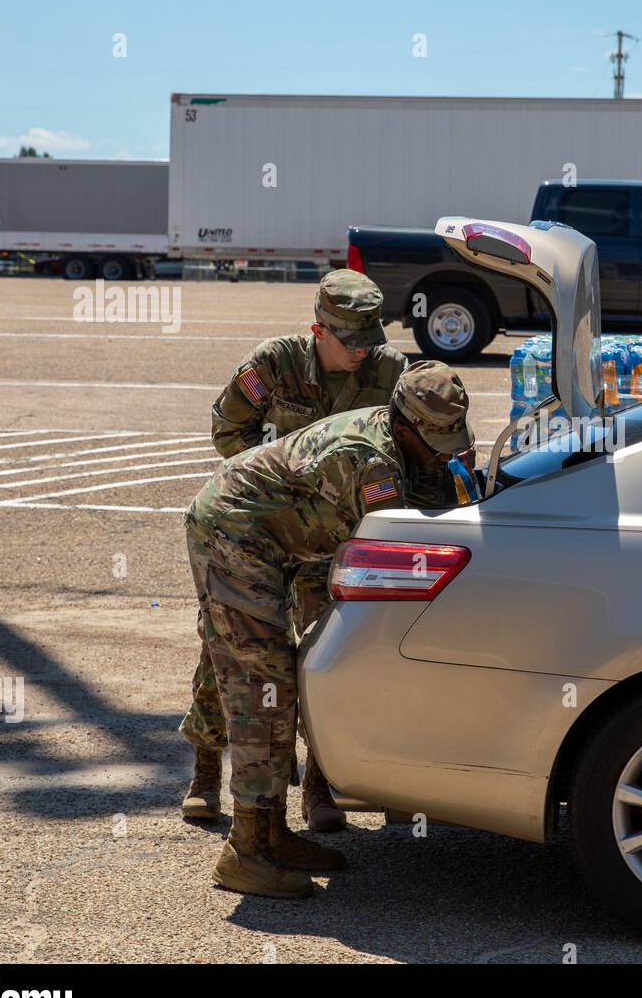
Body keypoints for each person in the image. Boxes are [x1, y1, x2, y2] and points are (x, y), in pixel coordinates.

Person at [185, 362, 474, 898]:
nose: (445, 451)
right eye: (436, 441)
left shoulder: (423, 436)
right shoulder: (367, 462)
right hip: (234, 536)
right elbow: (393, 552)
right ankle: (245, 853)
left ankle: (271, 834)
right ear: (404, 425)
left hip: (286, 544)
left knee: (289, 681)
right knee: (263, 689)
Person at [180, 269, 407, 831]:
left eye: (368, 340)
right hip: (262, 530)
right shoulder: (275, 363)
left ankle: (321, 787)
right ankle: (206, 768)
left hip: (336, 540)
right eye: (349, 342)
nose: (360, 353)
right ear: (318, 330)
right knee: (228, 649)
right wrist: (280, 492)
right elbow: (229, 430)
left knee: (326, 656)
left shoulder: (389, 371)